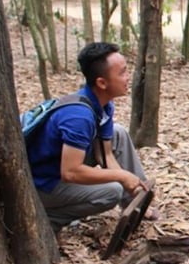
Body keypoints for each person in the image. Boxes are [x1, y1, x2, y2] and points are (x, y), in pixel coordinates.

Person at [28, 42, 156, 232]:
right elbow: (70, 172)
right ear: (101, 83)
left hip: (62, 167)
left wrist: (130, 184)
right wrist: (121, 176)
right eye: (122, 73)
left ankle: (136, 202)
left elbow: (106, 155)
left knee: (117, 133)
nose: (128, 78)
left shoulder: (103, 104)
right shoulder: (79, 117)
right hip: (42, 184)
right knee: (111, 192)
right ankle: (49, 219)